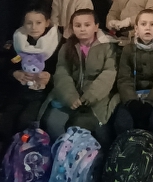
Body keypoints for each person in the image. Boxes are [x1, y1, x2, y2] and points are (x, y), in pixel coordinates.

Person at [42, 9, 117, 147]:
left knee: (81, 125)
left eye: (87, 25)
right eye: (78, 25)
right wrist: (69, 96)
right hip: (69, 96)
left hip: (96, 99)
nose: (82, 29)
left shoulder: (107, 47)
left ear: (96, 26)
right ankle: (60, 156)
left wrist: (90, 96)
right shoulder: (66, 47)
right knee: (53, 123)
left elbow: (109, 73)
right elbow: (62, 72)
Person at [114, 9, 153, 150]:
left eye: (152, 24)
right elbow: (124, 78)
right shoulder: (128, 50)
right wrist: (131, 101)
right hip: (132, 95)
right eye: (143, 24)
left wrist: (151, 102)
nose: (148, 28)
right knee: (123, 124)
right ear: (136, 28)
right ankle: (126, 157)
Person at [2, 7, 61, 141]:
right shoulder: (18, 41)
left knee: (26, 121)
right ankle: (11, 152)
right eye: (29, 23)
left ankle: (27, 151)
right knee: (6, 124)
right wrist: (15, 73)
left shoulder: (58, 43)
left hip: (44, 94)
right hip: (21, 92)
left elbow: (65, 72)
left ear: (47, 23)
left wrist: (50, 78)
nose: (34, 27)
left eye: (38, 23)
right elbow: (8, 65)